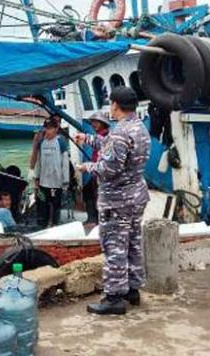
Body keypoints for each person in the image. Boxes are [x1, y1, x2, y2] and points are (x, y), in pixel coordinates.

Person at [74, 87, 150, 315]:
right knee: (133, 243)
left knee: (115, 247)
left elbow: (109, 168)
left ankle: (114, 298)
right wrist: (87, 139)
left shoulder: (120, 133)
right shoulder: (139, 128)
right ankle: (132, 289)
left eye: (111, 104)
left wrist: (87, 166)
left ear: (115, 105)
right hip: (136, 197)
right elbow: (113, 147)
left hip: (117, 201)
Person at [34, 118, 70, 227]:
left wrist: (65, 181)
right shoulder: (42, 143)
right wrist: (36, 177)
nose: (48, 131)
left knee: (55, 206)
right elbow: (39, 161)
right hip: (43, 182)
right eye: (46, 128)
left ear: (56, 129)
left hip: (57, 182)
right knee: (42, 205)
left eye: (50, 128)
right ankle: (42, 225)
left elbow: (65, 163)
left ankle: (55, 224)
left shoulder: (60, 142)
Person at [82, 111, 111, 226]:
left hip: (101, 172)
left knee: (96, 194)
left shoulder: (104, 136)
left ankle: (97, 220)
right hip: (96, 170)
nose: (93, 125)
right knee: (89, 191)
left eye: (96, 122)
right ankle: (94, 219)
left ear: (102, 123)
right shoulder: (100, 136)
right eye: (92, 122)